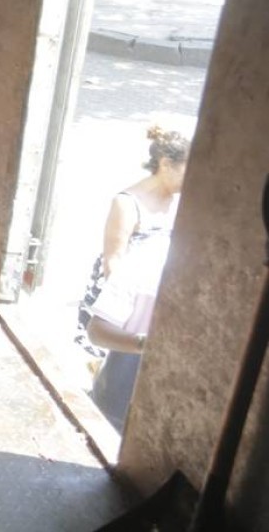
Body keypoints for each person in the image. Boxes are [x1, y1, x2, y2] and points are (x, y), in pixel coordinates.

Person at [82, 126, 190, 432]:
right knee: (121, 363)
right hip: (129, 292)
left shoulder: (181, 202)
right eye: (187, 168)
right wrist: (126, 307)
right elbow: (113, 259)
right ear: (166, 165)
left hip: (153, 291)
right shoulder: (128, 202)